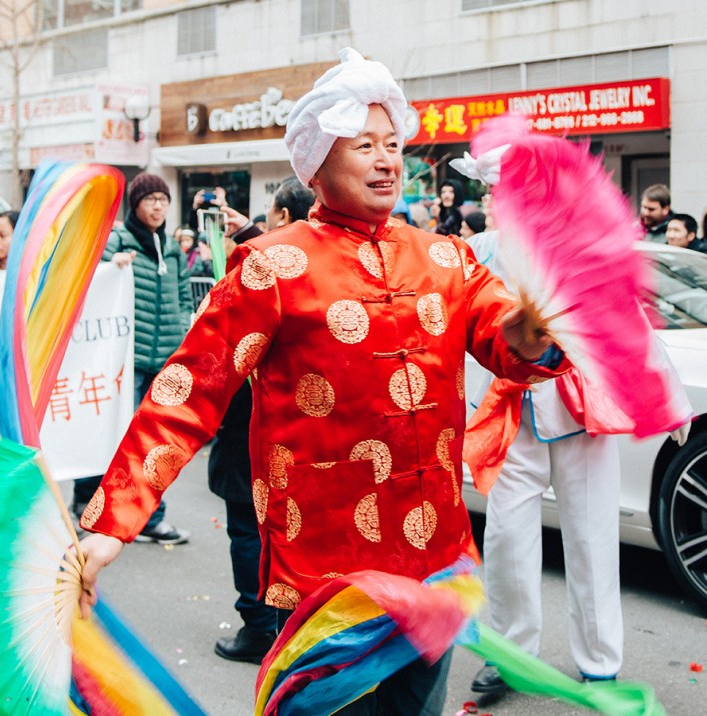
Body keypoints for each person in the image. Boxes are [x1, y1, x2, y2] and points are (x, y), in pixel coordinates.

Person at [77, 48, 567, 715]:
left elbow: (503, 338)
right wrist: (113, 522)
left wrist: (532, 334)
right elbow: (188, 395)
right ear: (316, 162)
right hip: (323, 588)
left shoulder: (445, 258)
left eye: (392, 143)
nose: (386, 159)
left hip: (434, 574)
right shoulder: (271, 268)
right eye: (363, 144)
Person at [449, 147, 690, 698]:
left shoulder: (582, 249)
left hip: (583, 413)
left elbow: (629, 326)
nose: (498, 199)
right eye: (495, 191)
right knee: (508, 538)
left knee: (593, 536)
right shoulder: (475, 252)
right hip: (506, 412)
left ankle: (601, 663)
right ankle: (512, 657)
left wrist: (669, 398)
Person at [212, 176, 315, 665]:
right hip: (297, 440)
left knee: (249, 530)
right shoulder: (315, 269)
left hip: (254, 429)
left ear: (283, 218)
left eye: (272, 215)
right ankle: (284, 626)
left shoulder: (266, 274)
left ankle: (261, 626)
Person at [71, 172, 192, 546]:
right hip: (125, 361)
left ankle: (147, 517)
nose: (158, 206)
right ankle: (88, 502)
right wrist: (112, 267)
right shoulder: (117, 242)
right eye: (150, 199)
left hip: (164, 361)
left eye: (163, 199)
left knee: (153, 443)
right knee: (112, 436)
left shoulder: (171, 248)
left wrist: (184, 333)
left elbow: (184, 295)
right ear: (135, 204)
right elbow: (91, 283)